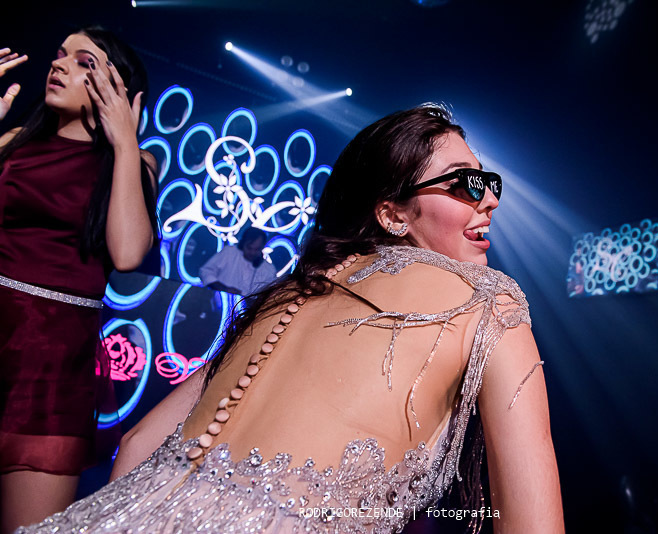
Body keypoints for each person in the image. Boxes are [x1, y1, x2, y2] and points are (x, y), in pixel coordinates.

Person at [19, 104, 563, 533]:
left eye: (490, 183)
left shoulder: (286, 295)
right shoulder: (490, 302)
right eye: (465, 184)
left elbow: (139, 443)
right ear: (392, 213)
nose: (489, 201)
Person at [0, 27, 158, 532]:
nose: (59, 64)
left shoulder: (134, 163)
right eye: (60, 55)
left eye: (83, 61)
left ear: (117, 87)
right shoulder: (13, 143)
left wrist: (125, 142)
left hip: (50, 364)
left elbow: (128, 253)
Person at [199, 227, 277, 295]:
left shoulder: (269, 270)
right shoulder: (229, 253)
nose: (252, 253)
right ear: (242, 244)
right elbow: (205, 272)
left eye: (257, 249)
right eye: (249, 248)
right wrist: (225, 289)